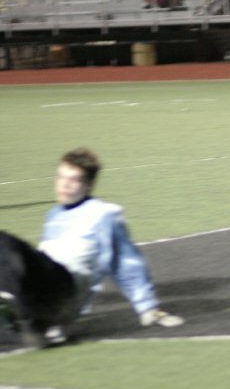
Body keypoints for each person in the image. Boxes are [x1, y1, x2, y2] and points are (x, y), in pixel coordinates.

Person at [0, 148, 184, 348]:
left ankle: (35, 324)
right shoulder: (53, 215)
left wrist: (147, 307)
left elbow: (124, 261)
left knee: (7, 245)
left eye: (74, 180)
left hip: (63, 291)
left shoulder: (104, 214)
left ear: (89, 185)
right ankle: (24, 320)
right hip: (40, 292)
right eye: (61, 177)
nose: (64, 184)